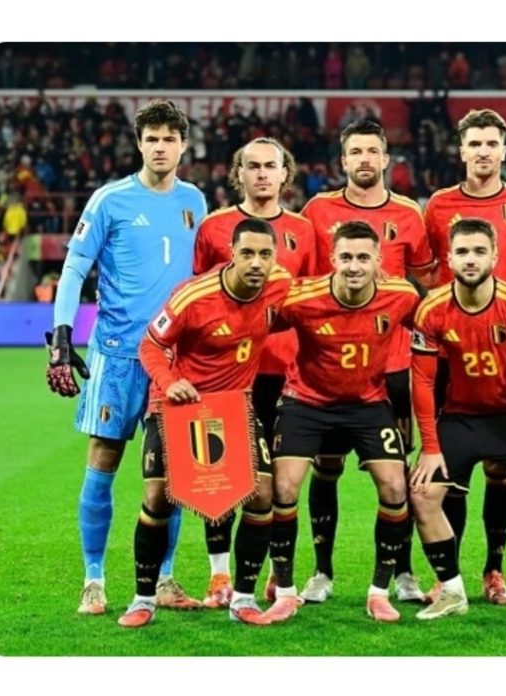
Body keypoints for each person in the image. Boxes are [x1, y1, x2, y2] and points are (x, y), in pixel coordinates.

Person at [45, 99, 207, 615]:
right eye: (151, 138)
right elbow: (75, 269)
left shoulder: (195, 201)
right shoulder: (109, 200)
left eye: (169, 138)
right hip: (117, 353)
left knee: (170, 474)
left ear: (183, 145)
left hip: (173, 359)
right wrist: (62, 336)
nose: (160, 147)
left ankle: (165, 578)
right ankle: (93, 579)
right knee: (104, 458)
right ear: (139, 144)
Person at [118, 218, 292, 627]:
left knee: (262, 495)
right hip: (179, 405)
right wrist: (170, 382)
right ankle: (143, 599)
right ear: (231, 254)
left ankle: (243, 598)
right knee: (158, 497)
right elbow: (151, 344)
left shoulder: (281, 286)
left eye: (264, 254)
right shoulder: (193, 296)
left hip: (235, 406)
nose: (256, 262)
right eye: (247, 253)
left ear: (275, 257)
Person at [295, 119, 437, 605]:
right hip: (330, 365)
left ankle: (403, 573)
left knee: (396, 475)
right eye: (355, 152)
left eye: (372, 151)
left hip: (393, 369)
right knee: (326, 468)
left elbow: (424, 287)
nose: (364, 160)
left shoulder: (409, 213)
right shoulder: (317, 210)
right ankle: (322, 571)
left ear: (385, 159)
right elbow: (307, 280)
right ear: (343, 160)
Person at [422, 108, 506, 605]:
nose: (482, 151)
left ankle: (494, 571)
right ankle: (447, 577)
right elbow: (427, 269)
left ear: (504, 149)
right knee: (447, 477)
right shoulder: (439, 205)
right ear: (462, 150)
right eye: (474, 143)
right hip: (452, 355)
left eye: (491, 143)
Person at [264, 222, 421, 624]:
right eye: (346, 257)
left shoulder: (402, 296)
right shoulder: (301, 298)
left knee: (395, 486)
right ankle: (284, 591)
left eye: (363, 258)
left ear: (378, 261)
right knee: (283, 487)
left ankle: (379, 592)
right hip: (306, 402)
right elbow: (254, 321)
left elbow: (437, 324)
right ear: (332, 259)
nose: (354, 266)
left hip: (368, 403)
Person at [409, 218, 506, 627]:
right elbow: (422, 382)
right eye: (462, 252)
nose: (470, 259)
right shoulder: (431, 309)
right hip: (461, 416)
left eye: (479, 251)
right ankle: (452, 591)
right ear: (449, 258)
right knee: (422, 493)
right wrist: (430, 448)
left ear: (494, 256)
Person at [192, 137, 316, 609]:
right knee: (220, 475)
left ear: (286, 174)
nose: (262, 174)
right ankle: (219, 575)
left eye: (271, 166)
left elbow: (310, 299)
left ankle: (279, 577)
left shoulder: (304, 231)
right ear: (237, 173)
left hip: (287, 373)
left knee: (281, 482)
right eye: (253, 166)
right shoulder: (213, 228)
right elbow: (199, 297)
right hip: (225, 375)